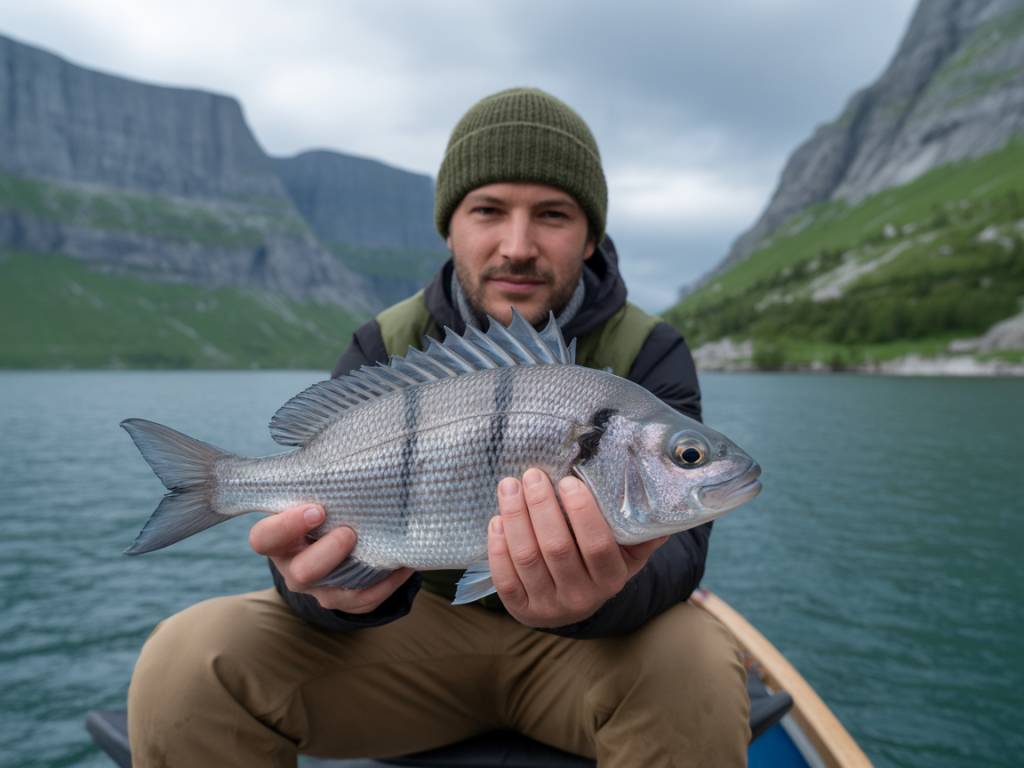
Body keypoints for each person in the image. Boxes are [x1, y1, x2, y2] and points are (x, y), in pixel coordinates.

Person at [127, 87, 750, 767]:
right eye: (488, 211)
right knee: (187, 661)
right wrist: (325, 590)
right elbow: (313, 538)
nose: (518, 245)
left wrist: (595, 599)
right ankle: (218, 487)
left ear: (592, 234)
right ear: (449, 227)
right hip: (407, 643)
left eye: (552, 214)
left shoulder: (650, 351)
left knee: (700, 664)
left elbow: (684, 553)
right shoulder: (386, 341)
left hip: (588, 655)